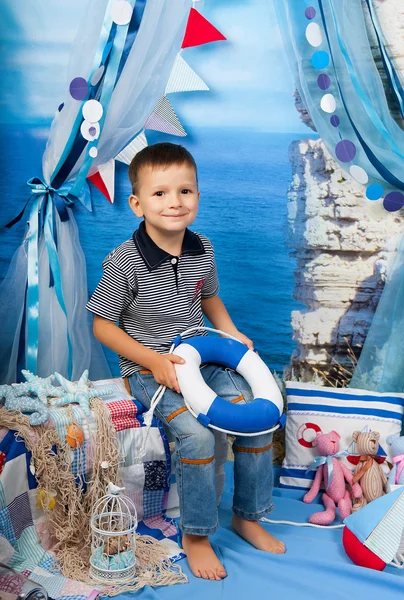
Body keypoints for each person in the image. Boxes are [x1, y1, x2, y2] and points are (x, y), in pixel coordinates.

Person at [87, 142, 285, 581]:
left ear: (197, 195)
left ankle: (247, 515)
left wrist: (231, 332)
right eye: (160, 194)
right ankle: (196, 534)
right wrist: (152, 360)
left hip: (204, 354)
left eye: (185, 191)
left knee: (256, 414)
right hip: (148, 369)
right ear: (137, 203)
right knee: (197, 438)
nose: (174, 202)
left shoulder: (203, 248)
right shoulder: (125, 260)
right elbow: (103, 326)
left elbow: (209, 297)